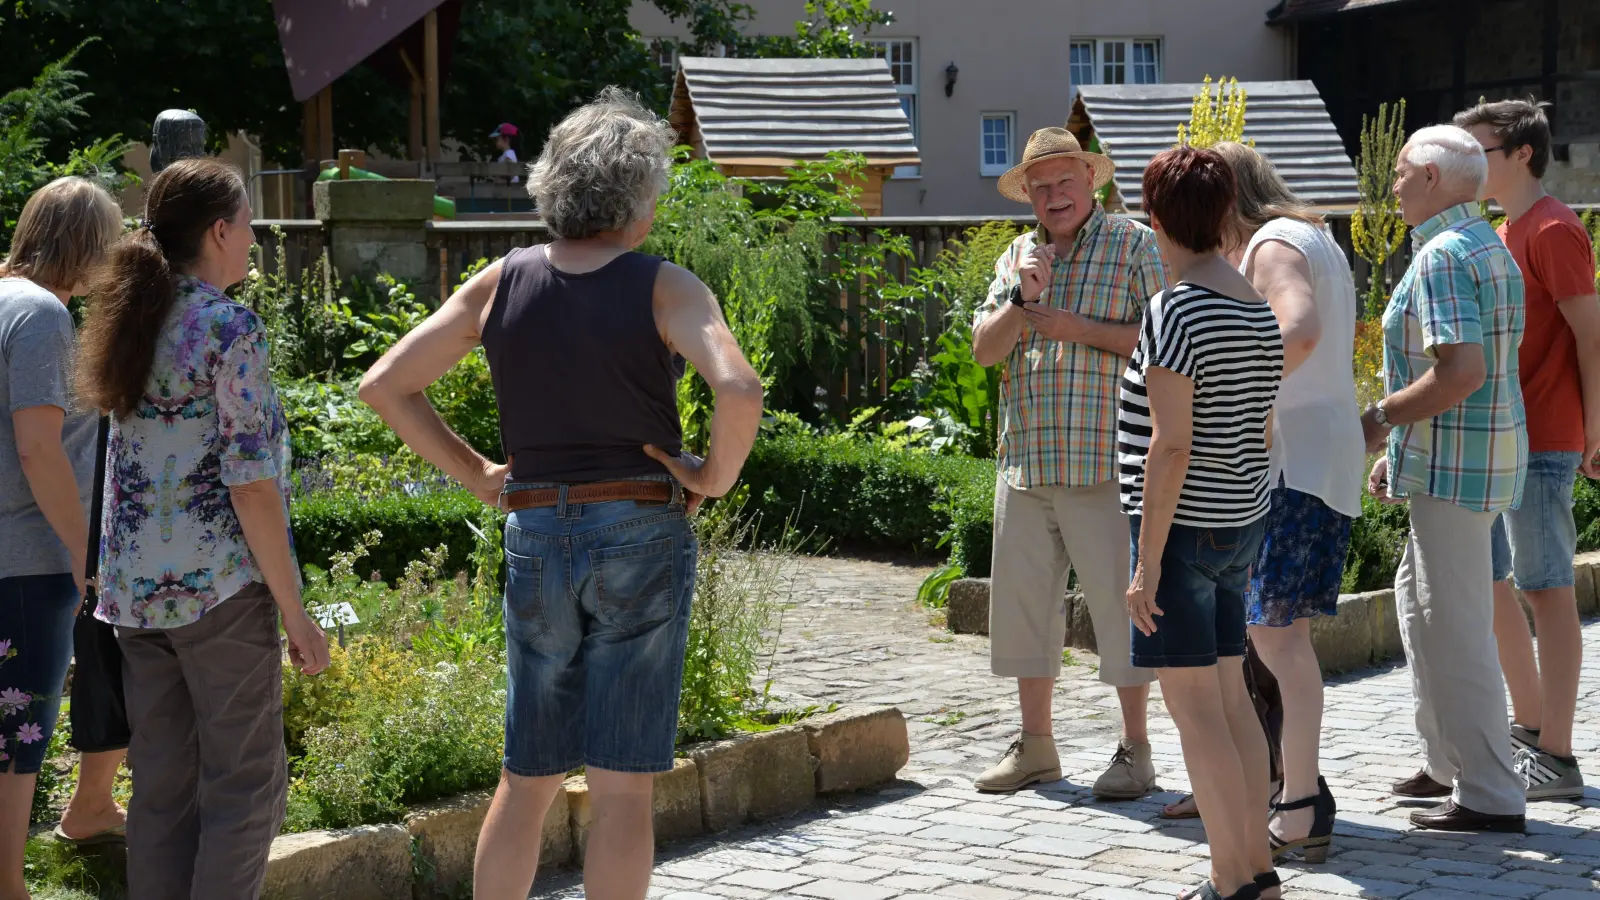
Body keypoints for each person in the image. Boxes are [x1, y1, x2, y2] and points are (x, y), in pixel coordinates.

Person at [360, 87, 763, 900]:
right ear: (639, 198)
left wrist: (477, 472)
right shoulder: (664, 285)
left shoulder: (499, 282)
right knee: (622, 787)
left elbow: (385, 386)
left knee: (528, 776)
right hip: (641, 527)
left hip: (537, 529)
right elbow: (741, 389)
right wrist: (712, 477)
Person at [76, 157, 332, 899]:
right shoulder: (229, 327)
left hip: (134, 599)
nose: (254, 238)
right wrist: (295, 611)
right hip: (219, 595)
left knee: (161, 792)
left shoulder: (133, 315)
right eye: (248, 223)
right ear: (219, 231)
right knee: (247, 790)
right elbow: (251, 484)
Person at [969, 127, 1167, 799]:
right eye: (1040, 186)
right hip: (1025, 461)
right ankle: (1037, 749)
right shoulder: (1017, 254)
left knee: (1120, 613)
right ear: (1026, 194)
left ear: (1092, 182)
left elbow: (1169, 340)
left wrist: (1079, 328)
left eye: (1065, 181)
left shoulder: (1135, 244)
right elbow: (983, 351)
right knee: (1025, 614)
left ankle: (1136, 751)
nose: (1054, 196)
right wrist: (1024, 307)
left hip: (1106, 461)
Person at [1120, 146, 1285, 900]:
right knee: (1231, 702)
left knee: (1196, 716)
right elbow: (1260, 429)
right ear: (1226, 215)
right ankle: (1258, 868)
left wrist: (1146, 562)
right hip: (1240, 524)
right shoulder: (1254, 303)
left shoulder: (1175, 308)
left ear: (1155, 219)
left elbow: (1171, 444)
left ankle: (1230, 882)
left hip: (1183, 533)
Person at [1362, 125, 1528, 833]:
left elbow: (1460, 372)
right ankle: (1444, 760)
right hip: (1474, 459)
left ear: (1430, 176)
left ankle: (1490, 792)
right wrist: (1396, 448)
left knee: (1455, 626)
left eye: (1400, 171)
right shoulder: (1486, 241)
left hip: (1457, 471)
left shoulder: (1443, 254)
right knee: (1419, 603)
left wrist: (1377, 419)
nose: (1392, 183)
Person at [1218, 141, 1364, 862]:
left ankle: (1300, 800)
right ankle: (1297, 790)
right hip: (1321, 457)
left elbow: (1297, 328)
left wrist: (1234, 388)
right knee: (1284, 640)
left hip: (1294, 464)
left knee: (1280, 641)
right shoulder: (1314, 237)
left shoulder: (1272, 244)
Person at [1455, 99, 1600, 801]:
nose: (1462, 162)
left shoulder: (1553, 227)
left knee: (1546, 590)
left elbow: (1591, 334)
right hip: (1501, 436)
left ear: (1520, 154)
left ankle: (1560, 756)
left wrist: (1594, 427)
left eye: (1475, 149)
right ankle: (1531, 728)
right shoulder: (1503, 228)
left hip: (1545, 437)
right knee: (1494, 588)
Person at [0, 177, 123, 899]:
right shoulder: (43, 315)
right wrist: (87, 559)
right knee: (19, 737)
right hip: (28, 556)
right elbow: (40, 449)